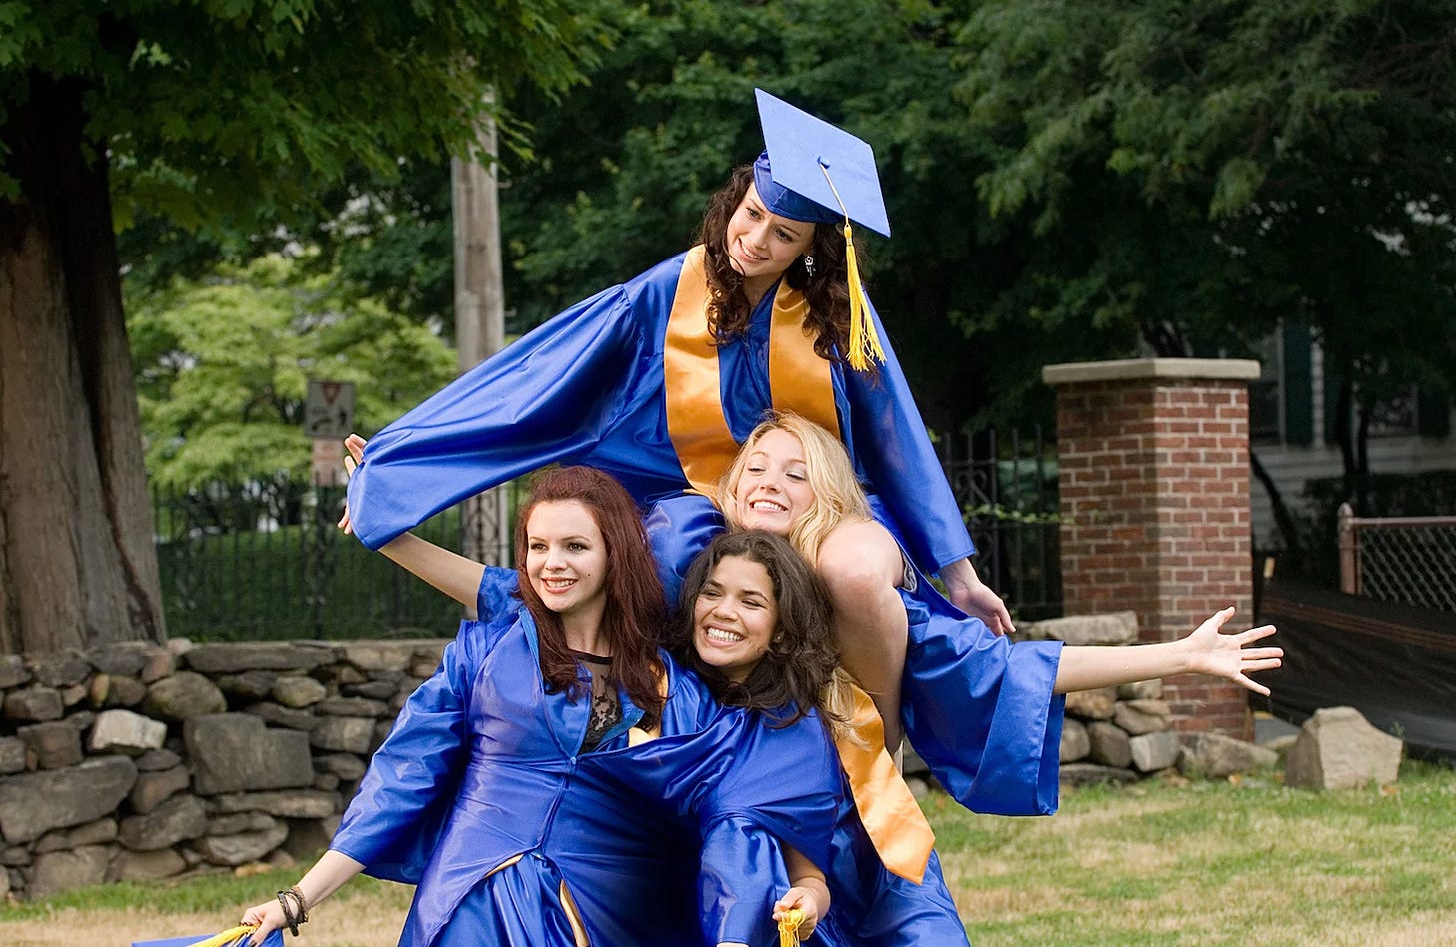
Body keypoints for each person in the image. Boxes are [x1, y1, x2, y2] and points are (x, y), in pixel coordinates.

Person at [340, 88, 1013, 751]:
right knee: (655, 561)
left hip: (820, 504)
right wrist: (402, 463)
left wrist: (960, 575)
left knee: (856, 576)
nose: (756, 241)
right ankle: (641, 737)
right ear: (733, 203)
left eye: (783, 235)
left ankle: (879, 749)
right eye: (750, 217)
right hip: (702, 496)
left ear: (809, 249)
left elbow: (898, 438)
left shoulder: (837, 313)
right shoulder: (666, 293)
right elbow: (534, 378)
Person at [710, 411, 1285, 946]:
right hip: (757, 848)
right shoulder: (702, 591)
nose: (769, 482)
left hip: (864, 832)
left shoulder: (861, 595)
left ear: (827, 496)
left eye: (795, 473)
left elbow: (1021, 670)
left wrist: (1180, 655)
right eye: (755, 468)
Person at [240, 465, 840, 947]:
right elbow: (401, 782)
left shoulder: (675, 685)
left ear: (616, 554)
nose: (552, 563)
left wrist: (765, 917)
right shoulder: (487, 652)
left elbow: (737, 820)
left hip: (613, 913)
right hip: (483, 899)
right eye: (537, 546)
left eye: (575, 546)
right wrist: (297, 900)